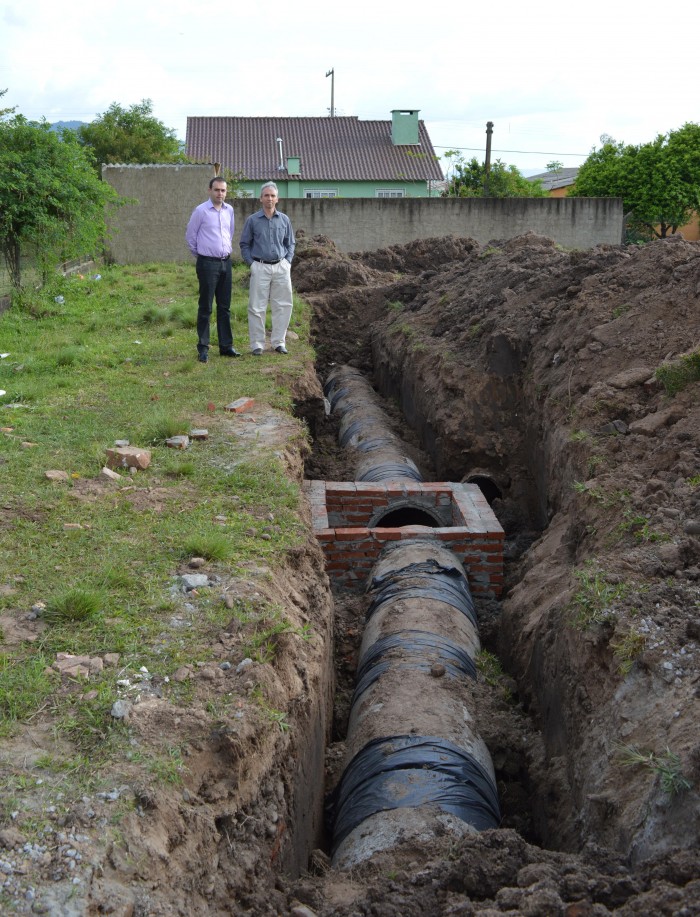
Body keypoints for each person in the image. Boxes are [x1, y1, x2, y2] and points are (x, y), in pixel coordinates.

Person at [185, 176, 241, 363]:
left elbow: (230, 233)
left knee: (224, 307)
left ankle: (226, 346)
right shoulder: (201, 211)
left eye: (223, 190)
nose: (220, 194)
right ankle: (203, 348)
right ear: (209, 190)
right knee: (206, 306)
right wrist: (203, 256)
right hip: (207, 263)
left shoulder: (229, 211)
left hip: (226, 262)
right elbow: (191, 236)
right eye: (217, 190)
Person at [239, 181, 296, 355]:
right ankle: (257, 344)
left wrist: (287, 262)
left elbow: (290, 243)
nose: (269, 198)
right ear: (260, 198)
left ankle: (279, 342)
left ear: (277, 199)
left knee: (283, 305)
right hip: (260, 267)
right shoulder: (253, 220)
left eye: (272, 195)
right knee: (256, 306)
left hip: (281, 267)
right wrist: (252, 264)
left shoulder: (284, 219)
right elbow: (244, 244)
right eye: (266, 195)